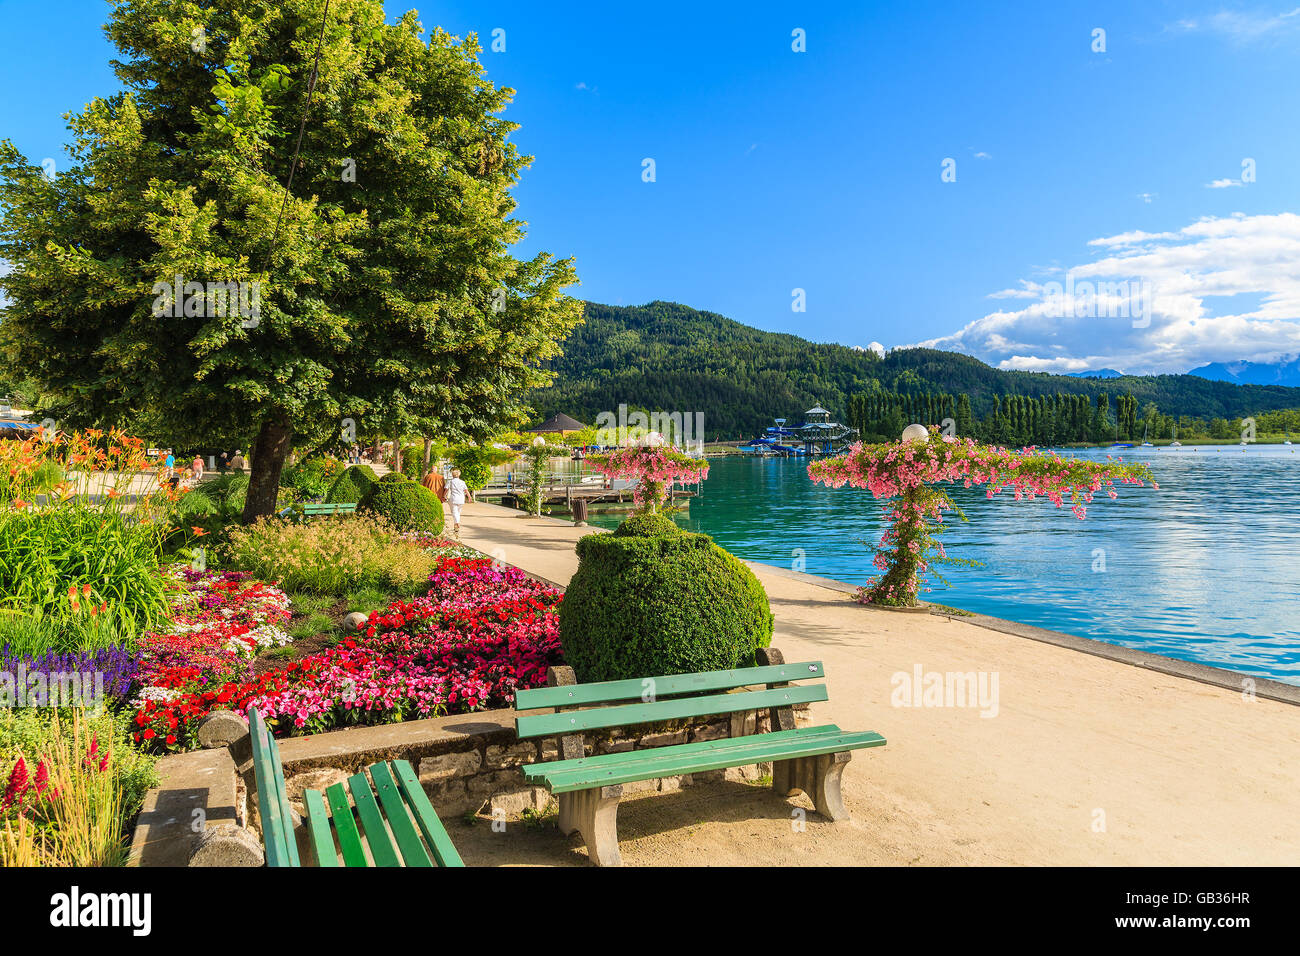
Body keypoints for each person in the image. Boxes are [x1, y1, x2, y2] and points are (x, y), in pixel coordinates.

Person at [446, 468, 472, 537]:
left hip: (453, 499)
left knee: (454, 512)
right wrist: (469, 497)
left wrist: (443, 495)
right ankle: (456, 526)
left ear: (452, 475)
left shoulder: (450, 482)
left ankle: (457, 523)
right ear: (459, 475)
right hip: (461, 499)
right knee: (458, 512)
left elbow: (446, 489)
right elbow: (466, 490)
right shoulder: (462, 482)